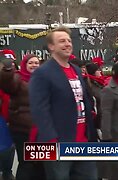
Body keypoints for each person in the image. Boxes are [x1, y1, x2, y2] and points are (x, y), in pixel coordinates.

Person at [29, 26, 97, 180]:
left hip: (83, 143)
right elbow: (39, 110)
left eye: (69, 40)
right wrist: (51, 140)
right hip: (60, 144)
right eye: (62, 41)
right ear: (51, 47)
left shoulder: (77, 70)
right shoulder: (42, 73)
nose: (67, 44)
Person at [0, 55, 45, 180]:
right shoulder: (18, 79)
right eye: (30, 63)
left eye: (36, 62)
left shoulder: (44, 80)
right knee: (27, 164)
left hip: (42, 130)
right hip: (23, 131)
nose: (34, 65)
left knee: (42, 164)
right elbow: (8, 84)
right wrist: (7, 70)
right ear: (24, 65)